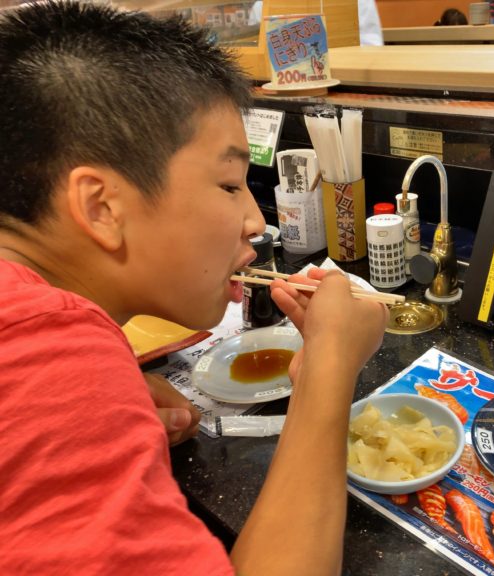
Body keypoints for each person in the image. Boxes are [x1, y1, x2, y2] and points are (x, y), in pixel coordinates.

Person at [0, 2, 388, 575]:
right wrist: (330, 364)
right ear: (101, 206)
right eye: (230, 183)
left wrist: (114, 408)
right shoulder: (46, 358)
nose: (256, 223)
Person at [248, 0, 384, 46]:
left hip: (344, 82)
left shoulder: (357, 2)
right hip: (277, 87)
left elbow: (372, 44)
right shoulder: (261, 6)